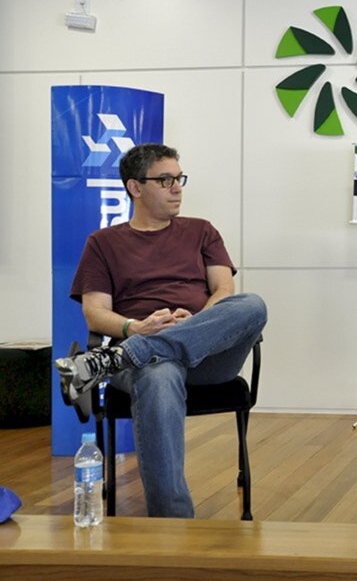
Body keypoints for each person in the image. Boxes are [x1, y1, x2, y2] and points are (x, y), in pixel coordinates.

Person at [56, 143, 267, 518]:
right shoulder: (103, 243)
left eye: (179, 178)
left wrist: (198, 321)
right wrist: (136, 327)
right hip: (144, 359)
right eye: (165, 180)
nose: (177, 187)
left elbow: (224, 291)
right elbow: (95, 314)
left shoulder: (202, 231)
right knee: (157, 372)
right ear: (135, 187)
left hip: (207, 353)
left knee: (253, 305)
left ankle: (116, 357)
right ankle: (172, 525)